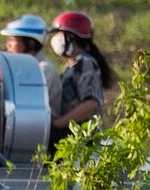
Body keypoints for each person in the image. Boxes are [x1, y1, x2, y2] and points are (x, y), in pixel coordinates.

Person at [48, 11, 115, 143]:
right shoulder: (73, 66)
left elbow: (91, 104)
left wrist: (58, 123)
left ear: (70, 37)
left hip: (80, 136)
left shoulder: (85, 64)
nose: (55, 38)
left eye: (59, 34)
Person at [0, 14, 61, 114]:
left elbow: (27, 103)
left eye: (12, 40)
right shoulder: (20, 67)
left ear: (31, 43)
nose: (8, 45)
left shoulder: (44, 69)